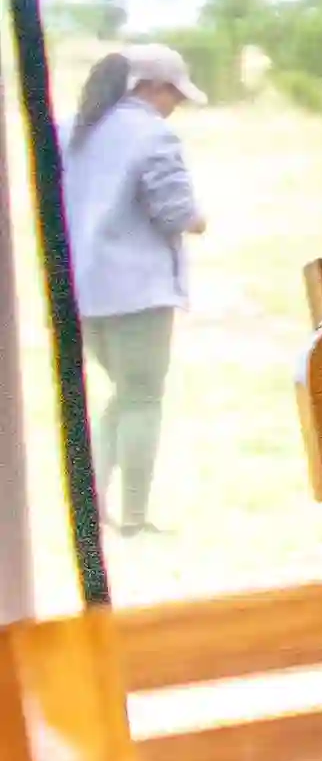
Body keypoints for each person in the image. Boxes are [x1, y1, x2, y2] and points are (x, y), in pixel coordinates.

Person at [64, 43, 204, 537]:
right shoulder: (153, 136)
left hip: (82, 289)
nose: (175, 106)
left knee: (122, 395)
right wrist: (199, 220)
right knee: (144, 397)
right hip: (137, 291)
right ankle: (136, 518)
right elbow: (177, 213)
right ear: (150, 87)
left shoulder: (73, 131)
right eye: (174, 94)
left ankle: (92, 508)